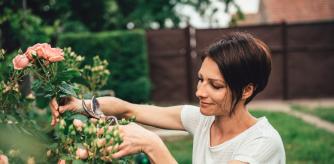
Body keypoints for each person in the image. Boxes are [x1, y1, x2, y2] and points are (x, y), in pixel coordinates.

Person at [50, 32, 285, 164]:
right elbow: (128, 110)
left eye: (215, 85)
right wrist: (79, 105)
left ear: (246, 90)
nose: (200, 92)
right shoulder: (204, 121)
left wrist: (152, 145)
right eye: (201, 79)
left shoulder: (262, 143)